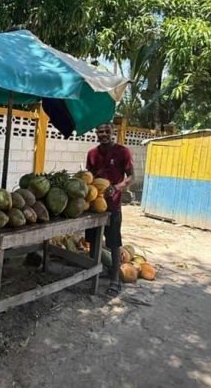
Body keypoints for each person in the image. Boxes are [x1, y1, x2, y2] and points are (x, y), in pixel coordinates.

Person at [85, 122, 134, 297]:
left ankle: (115, 279)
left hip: (113, 206)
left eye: (107, 131)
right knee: (92, 242)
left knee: (113, 243)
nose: (104, 134)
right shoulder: (92, 154)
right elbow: (89, 177)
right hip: (94, 206)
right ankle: (97, 271)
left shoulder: (123, 152)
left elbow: (131, 176)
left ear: (113, 132)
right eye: (100, 132)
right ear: (96, 133)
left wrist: (117, 187)